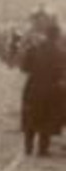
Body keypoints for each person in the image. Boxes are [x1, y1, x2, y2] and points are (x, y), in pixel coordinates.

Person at [19, 13, 64, 157]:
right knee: (47, 117)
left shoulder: (34, 49)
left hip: (33, 86)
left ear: (45, 35)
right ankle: (42, 149)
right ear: (57, 37)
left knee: (31, 115)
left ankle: (28, 147)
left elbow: (24, 68)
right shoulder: (61, 53)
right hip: (52, 89)